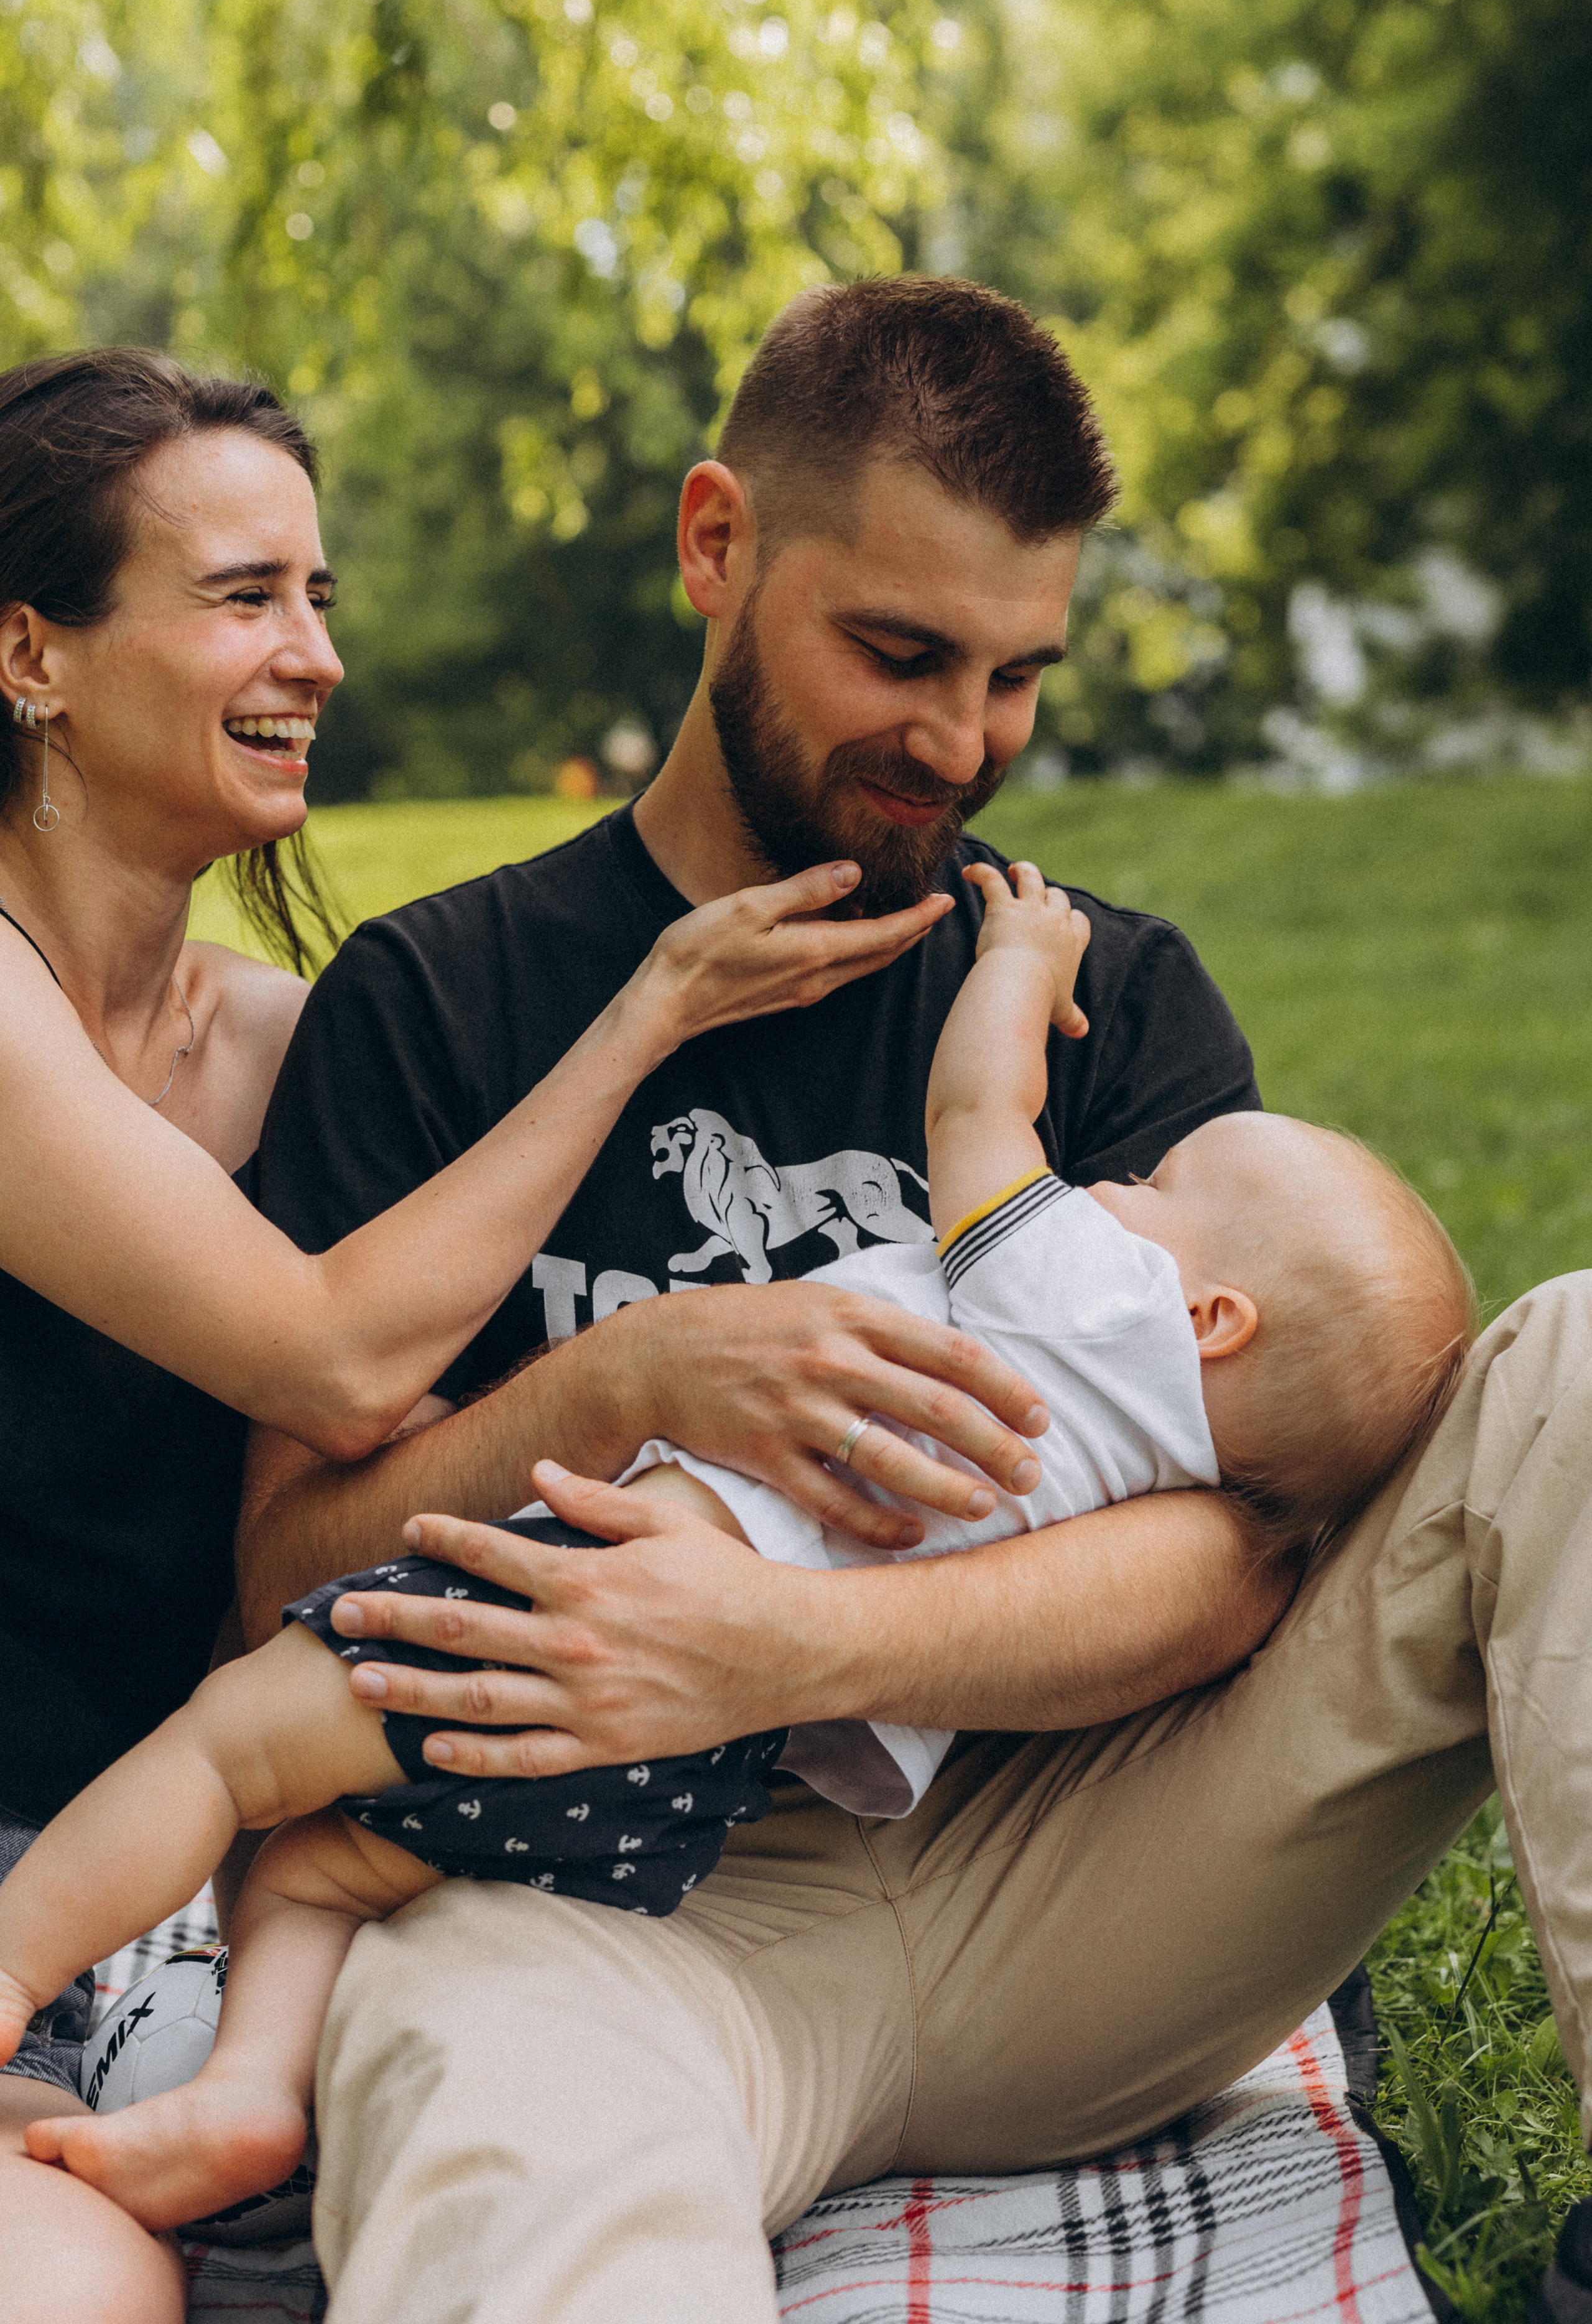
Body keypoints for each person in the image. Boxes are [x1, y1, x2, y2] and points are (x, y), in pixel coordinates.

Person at [233, 277, 1592, 2324]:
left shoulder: (1090, 990)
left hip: (1097, 1864)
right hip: (606, 1916)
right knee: (513, 2191)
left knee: (1577, 1364)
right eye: (899, 653)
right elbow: (279, 1585)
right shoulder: (440, 1002)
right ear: (718, 543)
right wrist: (628, 1378)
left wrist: (785, 1644)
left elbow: (1235, 1565)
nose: (962, 745)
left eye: (1016, 674)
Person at [0, 345, 1063, 2324]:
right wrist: (647, 1012)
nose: (315, 654)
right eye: (242, 597)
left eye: (320, 594)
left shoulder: (287, 1037)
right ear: (29, 655)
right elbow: (336, 1361)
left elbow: (373, 1481)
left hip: (168, 1868)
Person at [0, 856, 1476, 2240]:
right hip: (689, 1776)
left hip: (579, 1620)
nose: (1115, 1188)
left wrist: (1019, 968)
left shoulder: (1086, 1303)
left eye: (1158, 1194)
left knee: (223, 1753)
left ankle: (15, 1967)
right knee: (326, 1871)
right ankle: (250, 2096)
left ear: (1206, 1319)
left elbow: (977, 1113)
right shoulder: (1158, 1455)